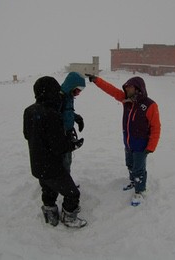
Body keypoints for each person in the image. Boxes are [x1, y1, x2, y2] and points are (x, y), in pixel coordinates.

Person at [86, 74, 161, 206]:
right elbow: (111, 90)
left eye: (129, 87)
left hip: (141, 144)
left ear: (138, 88)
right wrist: (97, 80)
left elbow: (156, 127)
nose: (127, 90)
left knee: (139, 168)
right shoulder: (126, 101)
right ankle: (133, 182)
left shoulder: (150, 105)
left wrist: (151, 146)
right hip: (128, 142)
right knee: (130, 164)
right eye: (126, 87)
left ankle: (140, 191)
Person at [23, 76, 87, 228]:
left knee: (48, 188)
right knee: (72, 194)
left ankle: (50, 212)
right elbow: (59, 147)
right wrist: (74, 145)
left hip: (37, 164)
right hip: (52, 165)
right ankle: (69, 217)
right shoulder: (52, 114)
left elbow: (27, 134)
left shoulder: (29, 111)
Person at [60, 72, 86, 174]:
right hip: (61, 134)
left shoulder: (69, 96)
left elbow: (67, 112)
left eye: (80, 91)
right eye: (77, 90)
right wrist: (62, 132)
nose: (78, 93)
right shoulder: (60, 97)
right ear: (71, 85)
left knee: (68, 160)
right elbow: (55, 116)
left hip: (68, 132)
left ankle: (66, 183)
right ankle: (63, 185)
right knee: (63, 161)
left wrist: (77, 118)